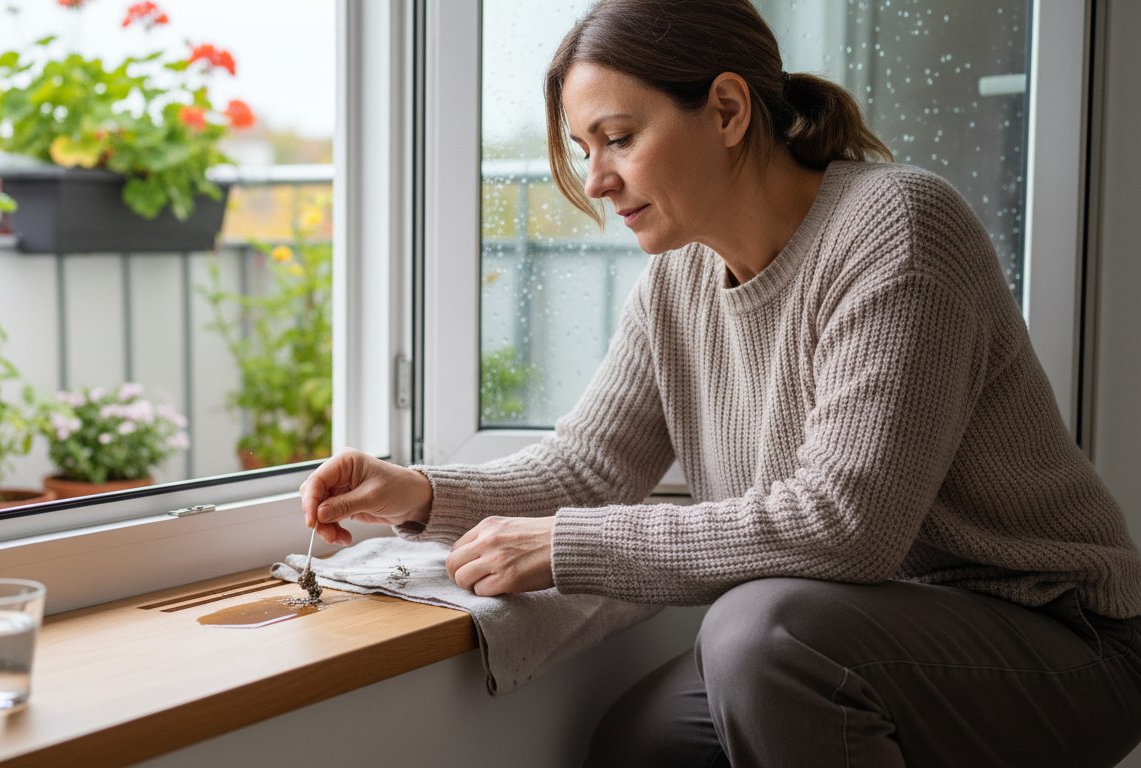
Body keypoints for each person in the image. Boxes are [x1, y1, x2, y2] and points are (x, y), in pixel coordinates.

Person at [300, 0, 1141, 764]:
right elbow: (586, 472)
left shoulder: (899, 229)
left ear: (730, 111)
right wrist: (414, 493)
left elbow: (846, 527)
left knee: (757, 634)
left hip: (1065, 638)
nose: (595, 181)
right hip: (866, 631)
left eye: (619, 138)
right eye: (584, 149)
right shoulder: (677, 285)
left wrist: (563, 547)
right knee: (640, 747)